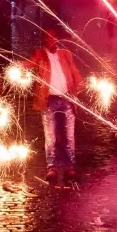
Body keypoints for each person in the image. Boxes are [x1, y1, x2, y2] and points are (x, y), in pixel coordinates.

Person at [27, 29, 83, 182]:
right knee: (50, 136)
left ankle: (69, 167)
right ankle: (52, 167)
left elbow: (73, 70)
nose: (50, 40)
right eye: (47, 37)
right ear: (44, 40)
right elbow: (30, 63)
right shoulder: (40, 54)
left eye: (52, 37)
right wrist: (18, 66)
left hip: (66, 98)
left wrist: (81, 82)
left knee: (68, 136)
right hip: (49, 99)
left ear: (56, 39)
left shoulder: (65, 54)